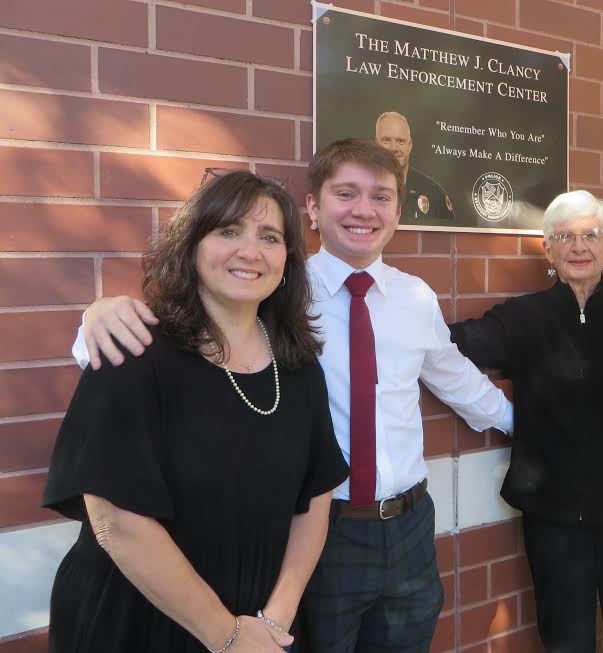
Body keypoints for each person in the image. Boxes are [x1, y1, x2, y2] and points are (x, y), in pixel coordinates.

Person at [72, 139, 513, 653]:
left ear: (398, 209)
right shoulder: (275, 287)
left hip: (411, 524)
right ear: (313, 208)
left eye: (381, 197)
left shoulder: (415, 297)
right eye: (346, 193)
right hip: (322, 531)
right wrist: (96, 318)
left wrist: (525, 424)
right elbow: (181, 336)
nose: (364, 211)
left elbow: (454, 376)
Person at [45, 170, 350, 653]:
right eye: (228, 231)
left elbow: (316, 495)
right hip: (141, 618)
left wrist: (277, 617)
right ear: (191, 244)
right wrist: (225, 635)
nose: (249, 251)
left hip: (262, 621)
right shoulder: (134, 350)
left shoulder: (298, 364)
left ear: (288, 262)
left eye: (269, 237)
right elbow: (117, 518)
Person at [448, 190, 603, 653]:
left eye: (591, 236)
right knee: (564, 641)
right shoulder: (522, 318)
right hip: (555, 519)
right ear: (549, 249)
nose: (579, 247)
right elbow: (449, 344)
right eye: (565, 237)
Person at [375, 111, 455, 224]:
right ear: (376, 143)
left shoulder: (434, 194)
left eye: (400, 141)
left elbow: (448, 239)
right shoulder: (360, 188)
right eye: (386, 140)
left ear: (410, 145)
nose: (394, 148)